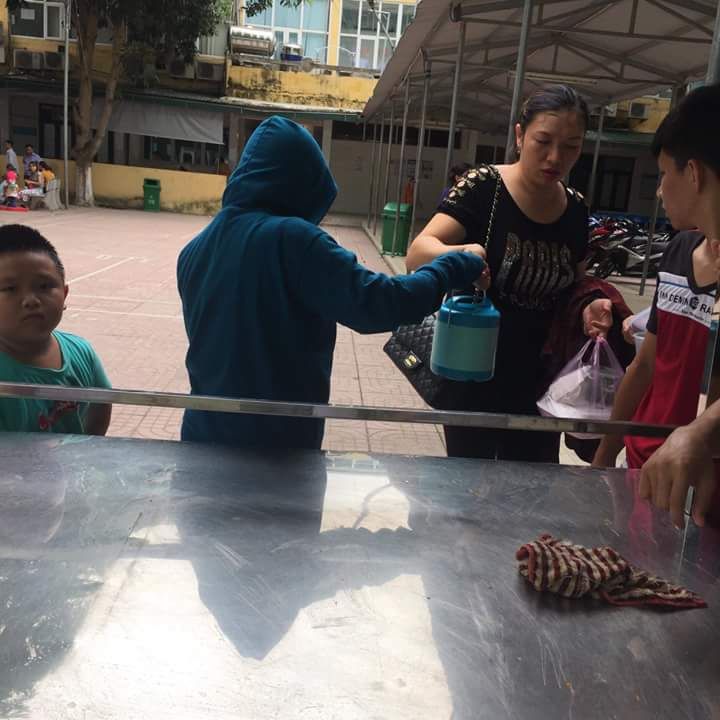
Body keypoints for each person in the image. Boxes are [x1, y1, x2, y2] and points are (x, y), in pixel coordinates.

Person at [177, 116, 486, 450]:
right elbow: (381, 303)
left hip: (201, 440)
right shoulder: (293, 240)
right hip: (273, 450)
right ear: (302, 183)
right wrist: (457, 263)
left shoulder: (194, 250)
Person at [406, 85, 608, 462]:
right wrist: (464, 254)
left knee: (532, 486)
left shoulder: (576, 209)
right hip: (473, 370)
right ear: (519, 136)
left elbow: (576, 286)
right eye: (542, 142)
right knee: (467, 485)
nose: (555, 157)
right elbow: (417, 254)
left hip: (541, 380)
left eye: (571, 146)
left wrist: (590, 306)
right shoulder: (483, 187)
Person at [592, 84, 720, 526]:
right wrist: (604, 455)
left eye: (664, 174)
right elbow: (645, 365)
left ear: (694, 173)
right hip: (646, 466)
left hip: (701, 490)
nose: (660, 191)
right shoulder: (679, 252)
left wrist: (700, 432)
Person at [0, 225, 112, 434]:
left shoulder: (81, 352)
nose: (31, 300)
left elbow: (102, 404)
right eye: (10, 289)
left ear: (65, 294)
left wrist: (88, 446)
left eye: (44, 286)